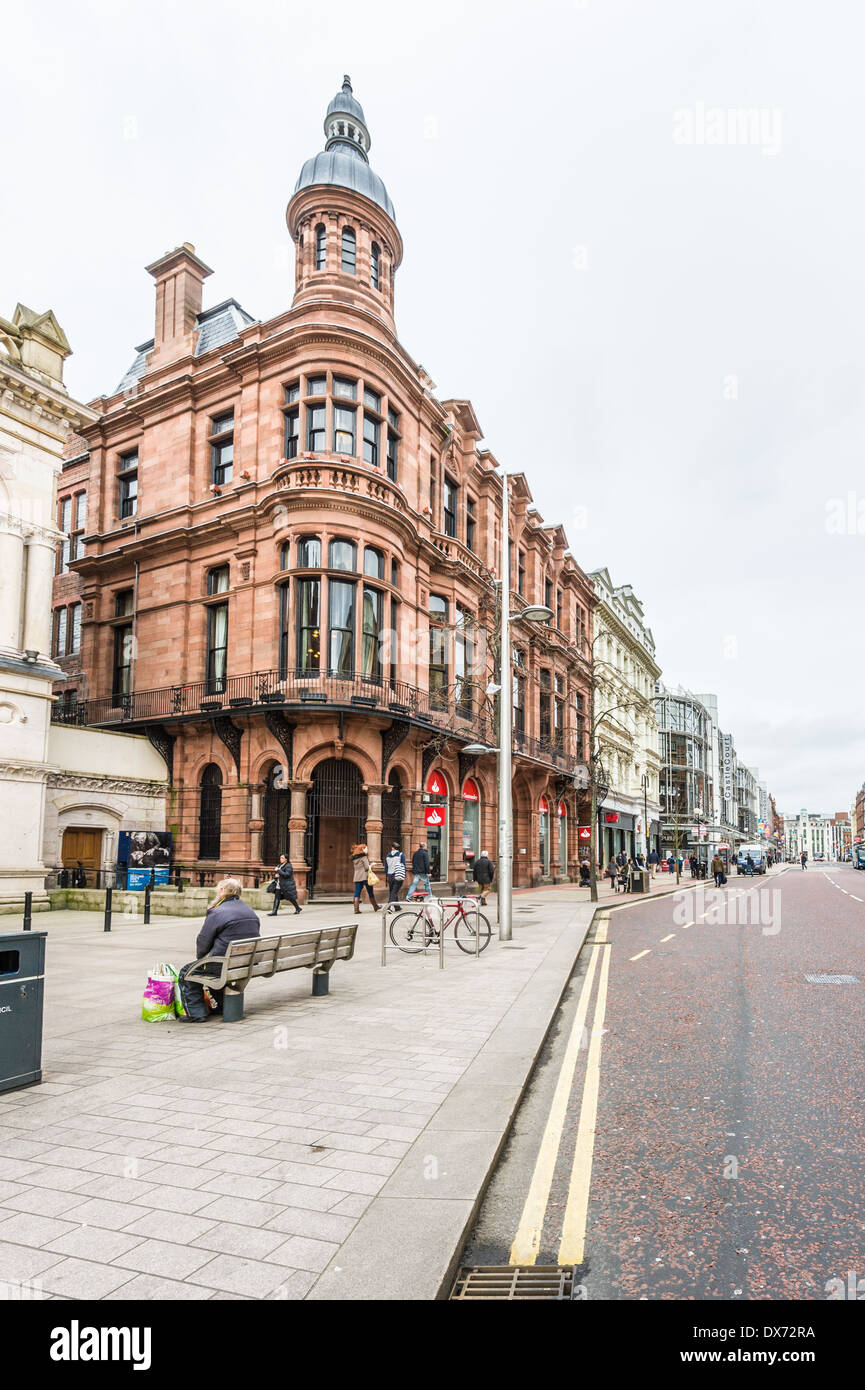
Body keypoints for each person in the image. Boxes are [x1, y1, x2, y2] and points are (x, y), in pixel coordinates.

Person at [180, 878, 261, 1020]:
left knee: (186, 972)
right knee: (213, 968)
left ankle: (196, 1014)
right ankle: (221, 1007)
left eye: (219, 888)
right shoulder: (250, 910)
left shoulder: (217, 912)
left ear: (223, 891)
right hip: (246, 962)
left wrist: (201, 958)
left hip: (223, 964)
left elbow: (203, 941)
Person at [351, 844, 379, 913]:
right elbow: (366, 867)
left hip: (357, 877)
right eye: (366, 848)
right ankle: (375, 906)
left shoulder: (355, 858)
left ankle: (356, 909)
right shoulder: (364, 857)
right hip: (365, 877)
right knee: (370, 892)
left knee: (357, 892)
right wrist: (372, 865)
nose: (367, 849)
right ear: (362, 849)